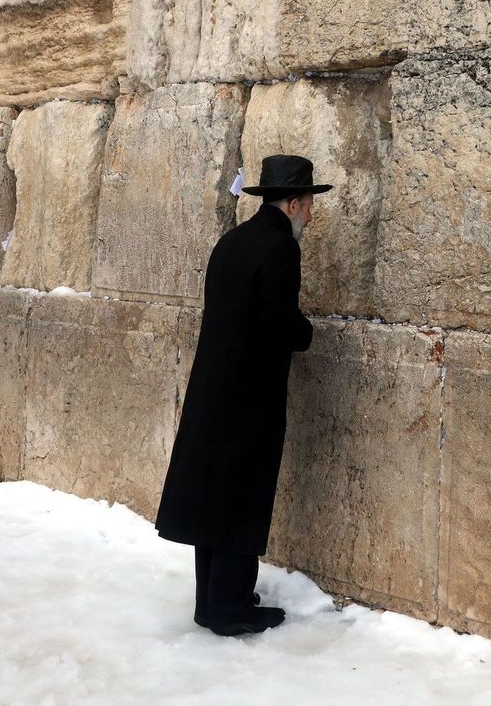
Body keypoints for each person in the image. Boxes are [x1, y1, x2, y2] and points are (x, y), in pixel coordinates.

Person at [154, 154, 331, 636]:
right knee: (240, 495)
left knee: (216, 494)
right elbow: (278, 323)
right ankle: (230, 609)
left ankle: (212, 601)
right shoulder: (280, 248)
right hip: (250, 395)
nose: (312, 216)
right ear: (293, 204)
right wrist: (307, 333)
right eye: (311, 205)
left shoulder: (231, 241)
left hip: (214, 389)